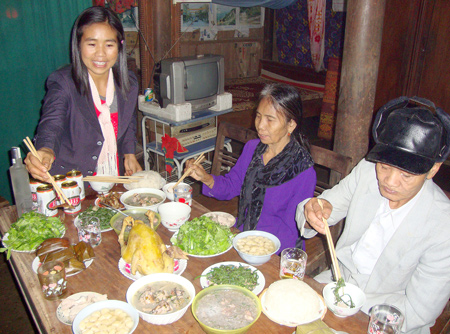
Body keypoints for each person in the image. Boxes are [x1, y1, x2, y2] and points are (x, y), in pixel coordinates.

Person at [296, 96, 450, 334]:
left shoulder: (442, 225)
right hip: (336, 285)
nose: (389, 181)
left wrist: (349, 307)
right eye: (384, 166)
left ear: (432, 170)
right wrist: (312, 210)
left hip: (389, 319)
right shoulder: (368, 172)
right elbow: (325, 204)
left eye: (406, 175)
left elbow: (421, 310)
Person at [186, 83, 317, 252]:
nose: (260, 126)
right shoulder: (253, 149)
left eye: (270, 120)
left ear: (291, 125)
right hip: (244, 235)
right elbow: (232, 185)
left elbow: (291, 230)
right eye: (258, 116)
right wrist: (205, 177)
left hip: (275, 249)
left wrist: (255, 248)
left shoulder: (303, 171)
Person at [25, 6, 142, 182]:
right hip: (70, 182)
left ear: (120, 46)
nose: (100, 54)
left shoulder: (129, 83)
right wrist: (46, 149)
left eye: (109, 45)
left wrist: (129, 153)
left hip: (110, 178)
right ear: (78, 45)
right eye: (92, 44)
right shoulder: (63, 83)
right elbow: (52, 123)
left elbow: (128, 120)